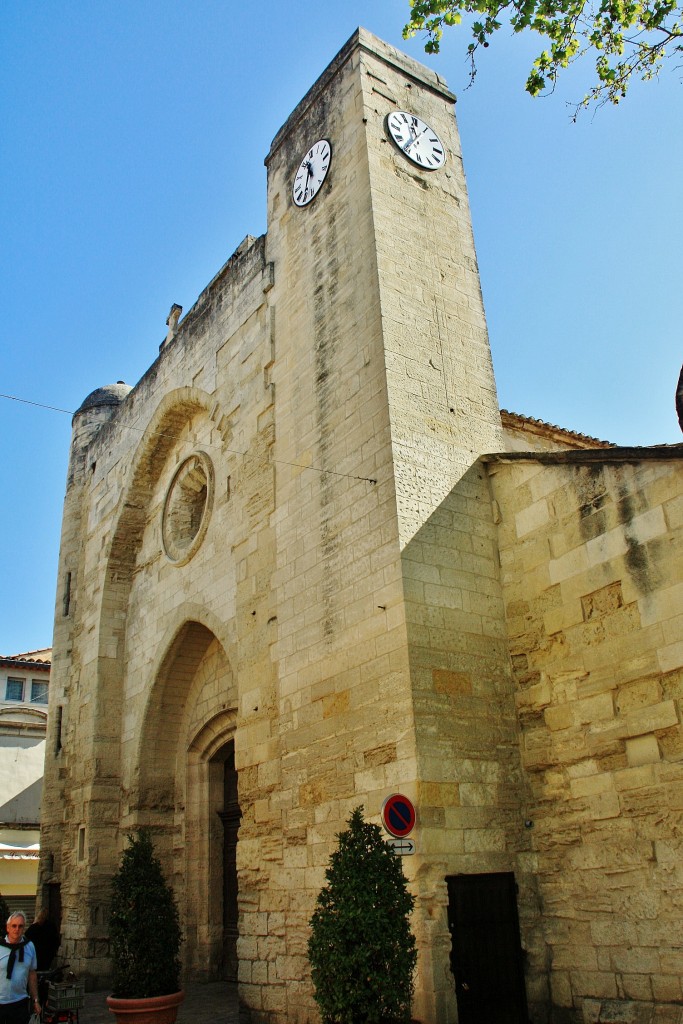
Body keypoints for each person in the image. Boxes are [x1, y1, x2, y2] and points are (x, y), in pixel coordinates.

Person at [0, 913, 40, 1023]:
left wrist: (36, 1000)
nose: (17, 929)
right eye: (14, 926)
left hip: (19, 1002)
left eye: (20, 926)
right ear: (8, 928)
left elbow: (32, 974)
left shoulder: (29, 946)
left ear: (24, 928)